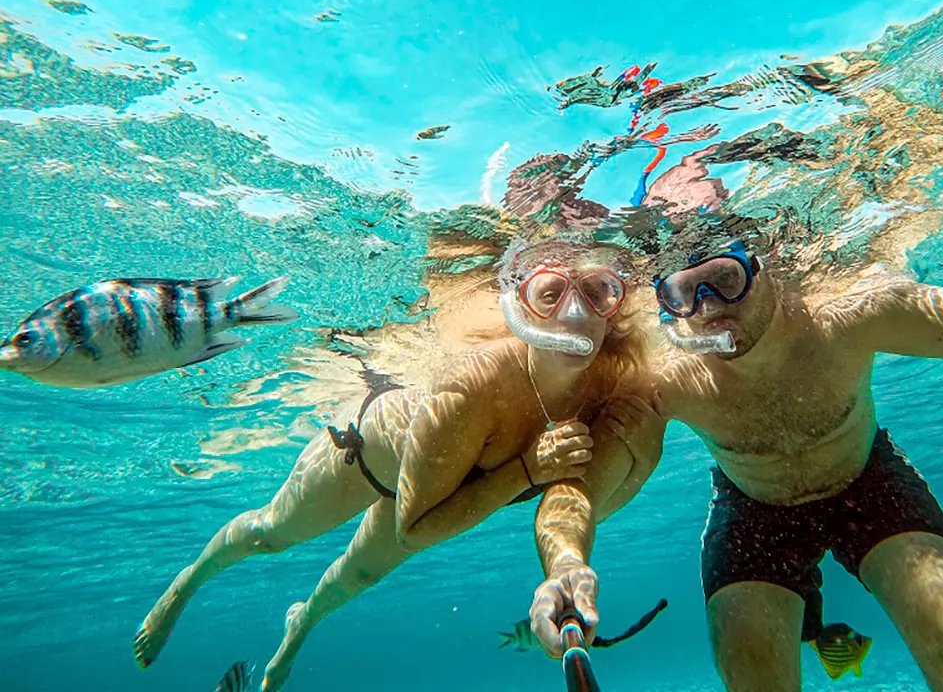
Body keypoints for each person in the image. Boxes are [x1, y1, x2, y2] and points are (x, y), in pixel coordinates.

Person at [528, 237, 943, 692]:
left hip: (869, 480)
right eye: (682, 293)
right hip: (753, 511)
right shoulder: (666, 376)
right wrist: (565, 560)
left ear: (764, 265)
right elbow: (580, 485)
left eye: (725, 279)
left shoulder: (847, 314)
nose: (709, 308)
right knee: (751, 678)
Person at [133, 237, 652, 691]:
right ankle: (186, 583)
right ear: (521, 305)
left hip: (444, 492)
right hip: (368, 459)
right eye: (550, 293)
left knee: (353, 580)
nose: (576, 312)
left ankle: (298, 629)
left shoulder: (611, 379)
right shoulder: (474, 385)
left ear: (617, 302)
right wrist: (526, 473)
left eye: (598, 291)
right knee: (271, 532)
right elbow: (413, 529)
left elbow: (590, 492)